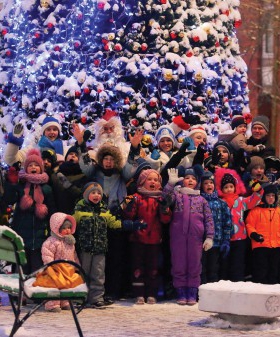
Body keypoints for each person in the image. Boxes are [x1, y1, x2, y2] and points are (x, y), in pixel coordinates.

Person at [73, 182, 146, 308]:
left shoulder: (104, 211)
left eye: (99, 193)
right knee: (82, 272)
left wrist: (132, 225)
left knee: (98, 273)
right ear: (86, 195)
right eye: (93, 192)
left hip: (100, 248)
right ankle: (80, 297)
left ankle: (96, 297)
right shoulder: (79, 211)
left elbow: (115, 223)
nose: (96, 195)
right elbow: (69, 223)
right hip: (84, 248)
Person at [163, 166, 214, 305]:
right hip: (178, 237)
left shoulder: (201, 200)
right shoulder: (177, 196)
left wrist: (209, 237)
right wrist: (170, 184)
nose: (190, 180)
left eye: (193, 178)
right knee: (179, 264)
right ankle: (180, 292)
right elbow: (165, 199)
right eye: (187, 178)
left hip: (195, 239)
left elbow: (209, 219)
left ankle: (192, 292)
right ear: (182, 181)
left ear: (197, 182)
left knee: (194, 265)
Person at [123, 169, 171, 304]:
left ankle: (151, 293)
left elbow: (166, 220)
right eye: (149, 179)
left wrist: (165, 208)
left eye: (156, 180)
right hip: (137, 238)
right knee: (137, 266)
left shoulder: (160, 199)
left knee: (153, 267)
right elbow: (127, 215)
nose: (153, 182)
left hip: (155, 239)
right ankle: (138, 293)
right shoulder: (135, 197)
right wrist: (129, 207)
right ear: (142, 182)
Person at [3, 149, 56, 274]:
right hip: (21, 234)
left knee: (37, 269)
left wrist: (51, 230)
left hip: (39, 236)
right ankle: (19, 293)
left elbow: (52, 210)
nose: (33, 167)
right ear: (26, 168)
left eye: (36, 165)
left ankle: (33, 291)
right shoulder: (20, 186)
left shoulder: (46, 188)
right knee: (21, 268)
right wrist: (11, 183)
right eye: (30, 165)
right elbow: (8, 199)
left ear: (41, 168)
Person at [214, 167, 263, 282]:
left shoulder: (240, 200)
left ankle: (238, 283)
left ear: (235, 187)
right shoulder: (220, 202)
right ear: (221, 189)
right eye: (226, 187)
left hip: (240, 237)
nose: (229, 189)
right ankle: (223, 284)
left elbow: (254, 200)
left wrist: (258, 190)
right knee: (224, 263)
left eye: (231, 186)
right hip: (224, 238)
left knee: (238, 263)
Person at [39, 212, 80, 312]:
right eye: (64, 228)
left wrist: (77, 265)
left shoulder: (70, 242)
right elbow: (47, 255)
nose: (67, 230)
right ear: (57, 228)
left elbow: (74, 255)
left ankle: (65, 302)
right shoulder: (51, 242)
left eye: (69, 228)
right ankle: (52, 305)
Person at [200, 171, 233, 283]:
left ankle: (212, 293)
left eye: (211, 183)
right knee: (201, 268)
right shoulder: (199, 201)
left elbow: (227, 223)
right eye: (206, 183)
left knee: (213, 269)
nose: (209, 185)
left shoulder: (221, 203)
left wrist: (226, 240)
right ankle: (202, 293)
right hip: (201, 242)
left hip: (216, 242)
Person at [246, 183, 280, 284]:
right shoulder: (256, 211)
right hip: (260, 245)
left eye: (273, 195)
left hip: (277, 245)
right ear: (264, 197)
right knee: (261, 271)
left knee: (274, 271)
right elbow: (249, 225)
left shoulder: (278, 211)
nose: (271, 198)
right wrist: (254, 234)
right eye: (268, 195)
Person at [51, 145, 88, 214]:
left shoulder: (83, 176)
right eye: (71, 154)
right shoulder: (55, 174)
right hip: (57, 214)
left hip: (75, 213)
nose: (73, 156)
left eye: (76, 155)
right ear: (66, 157)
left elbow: (81, 195)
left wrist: (67, 185)